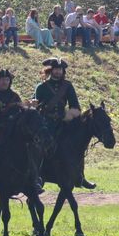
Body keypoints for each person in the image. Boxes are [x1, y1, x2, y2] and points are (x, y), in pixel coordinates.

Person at [33, 57, 96, 189]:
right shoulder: (42, 87)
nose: (58, 72)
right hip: (46, 123)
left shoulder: (67, 86)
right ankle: (37, 177)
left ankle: (80, 176)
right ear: (51, 70)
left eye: (60, 70)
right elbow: (36, 106)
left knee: (77, 144)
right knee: (40, 147)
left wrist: (69, 114)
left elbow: (75, 106)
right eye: (56, 69)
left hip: (63, 122)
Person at [0, 68, 44, 192]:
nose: (5, 82)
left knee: (31, 145)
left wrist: (30, 107)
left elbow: (21, 112)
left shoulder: (14, 95)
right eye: (3, 79)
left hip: (13, 129)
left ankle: (33, 178)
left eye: (7, 79)